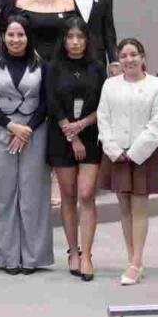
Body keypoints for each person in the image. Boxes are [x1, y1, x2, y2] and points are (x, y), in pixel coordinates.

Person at [0, 15, 52, 274]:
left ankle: (32, 258)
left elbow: (46, 102)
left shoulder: (42, 64)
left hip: (35, 132)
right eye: (10, 34)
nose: (15, 39)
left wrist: (27, 129)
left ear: (28, 36)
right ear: (4, 37)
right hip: (2, 131)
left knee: (33, 195)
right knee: (3, 195)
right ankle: (8, 257)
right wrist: (12, 126)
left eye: (20, 34)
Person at [97, 38, 158, 286]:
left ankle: (136, 262)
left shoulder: (156, 85)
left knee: (139, 208)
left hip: (143, 155)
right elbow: (103, 119)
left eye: (133, 55)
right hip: (116, 154)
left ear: (142, 57)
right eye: (124, 56)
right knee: (124, 209)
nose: (129, 60)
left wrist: (135, 151)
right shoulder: (110, 85)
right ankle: (132, 260)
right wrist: (113, 149)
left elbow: (157, 124)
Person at [46, 18, 106, 281]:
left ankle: (88, 255)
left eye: (80, 37)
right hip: (62, 136)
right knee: (69, 196)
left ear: (87, 40)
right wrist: (72, 135)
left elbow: (105, 103)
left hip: (91, 134)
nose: (75, 42)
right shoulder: (54, 67)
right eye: (70, 37)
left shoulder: (97, 67)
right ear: (64, 40)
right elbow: (52, 102)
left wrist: (82, 126)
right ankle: (73, 251)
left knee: (86, 194)